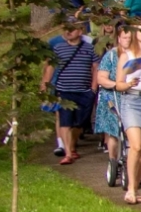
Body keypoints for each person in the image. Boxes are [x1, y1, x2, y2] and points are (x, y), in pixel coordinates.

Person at [113, 19, 141, 204]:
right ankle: (130, 189)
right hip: (132, 100)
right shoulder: (128, 55)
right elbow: (118, 84)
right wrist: (128, 83)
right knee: (137, 145)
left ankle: (136, 186)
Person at [41, 19, 97, 165]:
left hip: (84, 91)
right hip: (64, 90)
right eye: (65, 29)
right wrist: (45, 85)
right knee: (65, 121)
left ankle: (71, 146)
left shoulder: (90, 48)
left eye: (71, 29)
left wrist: (93, 87)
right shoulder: (58, 48)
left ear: (80, 31)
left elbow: (95, 67)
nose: (67, 32)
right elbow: (50, 67)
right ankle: (68, 153)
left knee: (79, 123)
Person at [92, 20, 127, 187]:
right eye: (124, 37)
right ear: (118, 38)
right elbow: (101, 78)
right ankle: (114, 160)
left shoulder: (139, 56)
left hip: (132, 97)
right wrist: (117, 85)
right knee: (114, 131)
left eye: (130, 37)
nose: (127, 40)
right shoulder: (111, 55)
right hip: (113, 97)